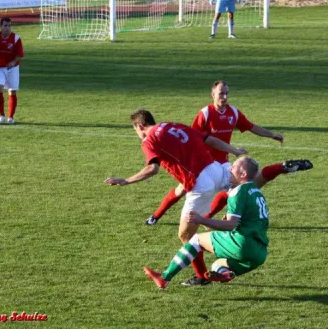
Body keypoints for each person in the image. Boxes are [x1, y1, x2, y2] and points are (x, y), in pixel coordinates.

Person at [104, 109, 247, 286]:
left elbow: (152, 169)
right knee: (245, 184)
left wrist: (126, 180)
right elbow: (208, 139)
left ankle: (209, 272)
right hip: (215, 170)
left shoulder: (149, 140)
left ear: (140, 126)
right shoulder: (172, 125)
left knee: (187, 236)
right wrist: (233, 150)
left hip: (200, 185)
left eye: (136, 131)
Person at [146, 80, 312, 225]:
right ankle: (156, 216)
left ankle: (209, 217)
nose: (224, 97)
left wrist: (272, 134)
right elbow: (192, 137)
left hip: (223, 163)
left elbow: (251, 126)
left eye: (226, 93)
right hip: (203, 164)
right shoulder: (205, 113)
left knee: (235, 189)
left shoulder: (233, 112)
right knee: (181, 190)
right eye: (220, 93)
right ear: (212, 94)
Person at [143, 156, 269, 289]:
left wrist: (201, 219)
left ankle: (164, 278)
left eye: (235, 166)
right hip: (259, 252)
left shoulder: (238, 192)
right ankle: (226, 274)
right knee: (217, 266)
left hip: (242, 243)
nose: (230, 167)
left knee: (196, 240)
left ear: (243, 174)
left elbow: (230, 225)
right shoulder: (256, 191)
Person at [0, 17, 24, 125]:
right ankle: (2, 115)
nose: (7, 28)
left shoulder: (16, 38)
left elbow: (20, 55)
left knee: (12, 91)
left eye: (9, 26)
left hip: (13, 68)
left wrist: (13, 61)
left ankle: (10, 117)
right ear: (1, 26)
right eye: (5, 25)